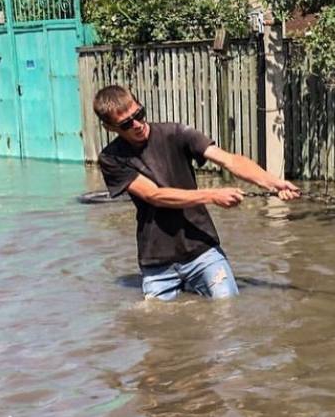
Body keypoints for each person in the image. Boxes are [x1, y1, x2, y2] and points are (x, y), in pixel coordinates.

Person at [93, 84, 301, 301]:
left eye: (139, 114)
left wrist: (273, 183)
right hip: (157, 259)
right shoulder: (111, 159)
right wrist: (212, 196)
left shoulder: (175, 133)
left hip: (201, 248)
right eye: (126, 123)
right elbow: (154, 195)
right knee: (156, 326)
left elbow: (228, 160)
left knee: (229, 310)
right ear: (110, 128)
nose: (137, 124)